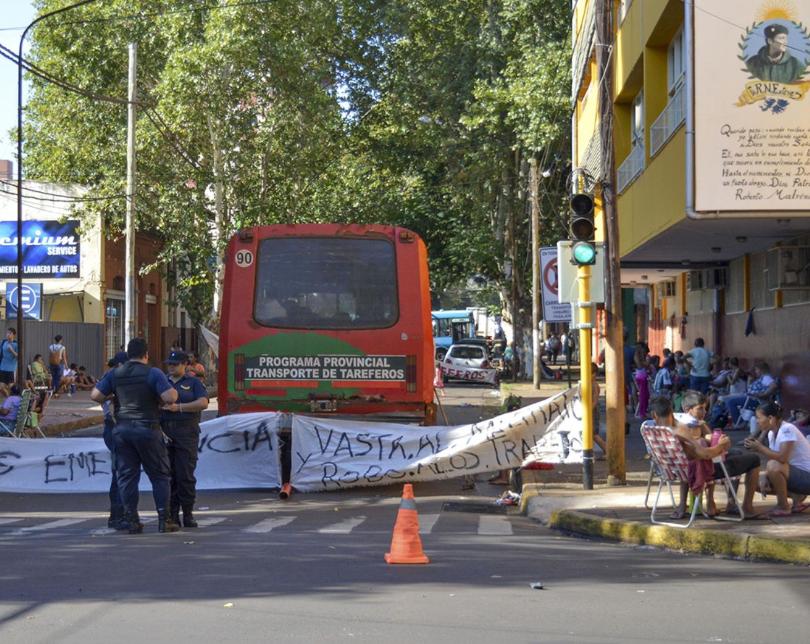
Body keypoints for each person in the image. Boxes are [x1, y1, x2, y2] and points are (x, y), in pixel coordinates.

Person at [91, 337, 179, 534]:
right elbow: (170, 397)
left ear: (128, 354)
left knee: (127, 476)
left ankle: (132, 520)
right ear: (146, 354)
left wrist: (113, 395)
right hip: (147, 429)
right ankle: (164, 520)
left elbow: (95, 395)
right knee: (160, 475)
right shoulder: (153, 373)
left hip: (122, 431)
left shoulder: (115, 373)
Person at [161, 350, 209, 528]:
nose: (171, 367)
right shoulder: (162, 382)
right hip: (165, 432)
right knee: (169, 476)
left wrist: (180, 407)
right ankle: (172, 514)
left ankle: (188, 513)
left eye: (175, 364)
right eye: (169, 364)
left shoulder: (193, 382)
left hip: (186, 432)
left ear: (185, 365)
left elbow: (203, 403)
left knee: (185, 475)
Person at [745, 402, 810, 517]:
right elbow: (775, 458)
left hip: (806, 476)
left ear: (770, 418)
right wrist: (765, 475)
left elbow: (782, 458)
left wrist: (760, 448)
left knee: (773, 466)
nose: (757, 421)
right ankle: (796, 497)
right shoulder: (772, 433)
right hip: (795, 475)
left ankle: (783, 506)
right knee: (755, 481)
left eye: (759, 418)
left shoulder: (787, 429)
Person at [101, 357, 126, 530]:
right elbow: (97, 396)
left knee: (121, 472)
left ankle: (119, 514)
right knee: (121, 472)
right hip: (116, 426)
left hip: (119, 426)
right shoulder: (112, 377)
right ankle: (118, 515)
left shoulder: (112, 377)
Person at [721, 360, 778, 425]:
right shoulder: (761, 378)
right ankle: (727, 420)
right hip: (748, 396)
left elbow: (774, 386)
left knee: (731, 402)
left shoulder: (766, 377)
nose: (756, 372)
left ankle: (739, 423)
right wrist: (750, 381)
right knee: (724, 398)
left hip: (755, 399)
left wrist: (764, 394)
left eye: (756, 370)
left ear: (761, 370)